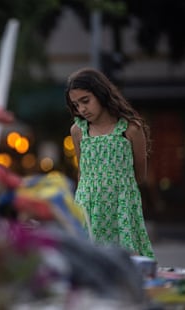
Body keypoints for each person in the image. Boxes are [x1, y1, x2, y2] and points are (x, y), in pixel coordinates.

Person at [65, 67, 155, 259]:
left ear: (101, 94)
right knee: (89, 259)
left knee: (126, 259)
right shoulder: (78, 131)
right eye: (76, 105)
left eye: (85, 101)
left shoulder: (130, 129)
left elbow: (140, 174)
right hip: (88, 206)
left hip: (121, 204)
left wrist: (117, 189)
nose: (82, 109)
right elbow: (82, 171)